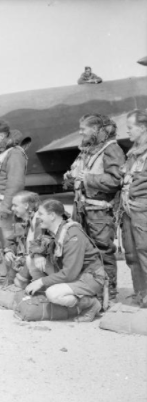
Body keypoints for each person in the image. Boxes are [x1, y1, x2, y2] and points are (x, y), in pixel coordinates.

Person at [63, 114, 125, 298]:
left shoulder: (111, 149)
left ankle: (109, 289)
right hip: (82, 209)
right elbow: (76, 173)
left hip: (100, 211)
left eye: (84, 128)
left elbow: (116, 180)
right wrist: (68, 178)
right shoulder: (86, 150)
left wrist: (87, 178)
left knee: (103, 250)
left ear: (96, 130)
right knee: (85, 249)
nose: (80, 132)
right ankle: (92, 286)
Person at [25, 199, 106, 323]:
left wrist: (41, 281)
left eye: (41, 214)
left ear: (52, 216)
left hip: (89, 277)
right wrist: (37, 254)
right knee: (31, 261)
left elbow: (69, 274)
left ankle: (91, 304)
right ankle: (45, 291)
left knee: (53, 294)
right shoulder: (51, 229)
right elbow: (36, 243)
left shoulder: (72, 235)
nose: (38, 217)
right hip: (69, 271)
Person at [0, 120, 27, 287]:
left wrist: (6, 206)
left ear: (2, 136)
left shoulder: (15, 154)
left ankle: (12, 278)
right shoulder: (2, 153)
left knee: (9, 242)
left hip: (5, 206)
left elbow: (15, 184)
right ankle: (2, 277)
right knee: (1, 242)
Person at [120, 109, 147, 308]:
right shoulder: (133, 153)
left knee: (145, 251)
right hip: (129, 210)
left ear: (143, 127)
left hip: (143, 209)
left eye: (130, 128)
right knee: (131, 254)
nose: (127, 132)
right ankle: (141, 294)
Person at [3, 191, 46, 289]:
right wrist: (8, 250)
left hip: (39, 261)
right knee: (9, 256)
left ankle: (24, 284)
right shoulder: (24, 220)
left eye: (15, 205)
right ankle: (14, 284)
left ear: (26, 205)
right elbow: (11, 239)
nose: (12, 208)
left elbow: (41, 246)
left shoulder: (40, 220)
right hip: (28, 259)